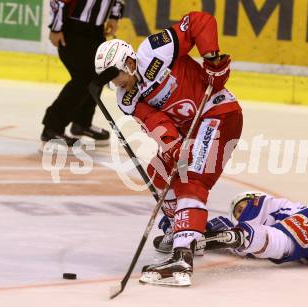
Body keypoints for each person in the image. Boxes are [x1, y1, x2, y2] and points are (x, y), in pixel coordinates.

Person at [94, 12, 243, 286]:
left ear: (128, 61)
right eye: (109, 80)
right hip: (191, 130)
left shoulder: (154, 50)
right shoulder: (125, 97)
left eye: (115, 75)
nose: (115, 82)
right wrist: (173, 147)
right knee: (160, 171)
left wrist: (211, 57)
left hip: (218, 112)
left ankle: (182, 257)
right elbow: (156, 122)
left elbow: (200, 22)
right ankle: (190, 230)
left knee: (190, 176)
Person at [41, 0, 125, 149]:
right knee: (84, 78)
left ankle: (82, 123)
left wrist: (114, 15)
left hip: (97, 30)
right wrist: (55, 28)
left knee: (99, 74)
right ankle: (52, 128)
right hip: (73, 28)